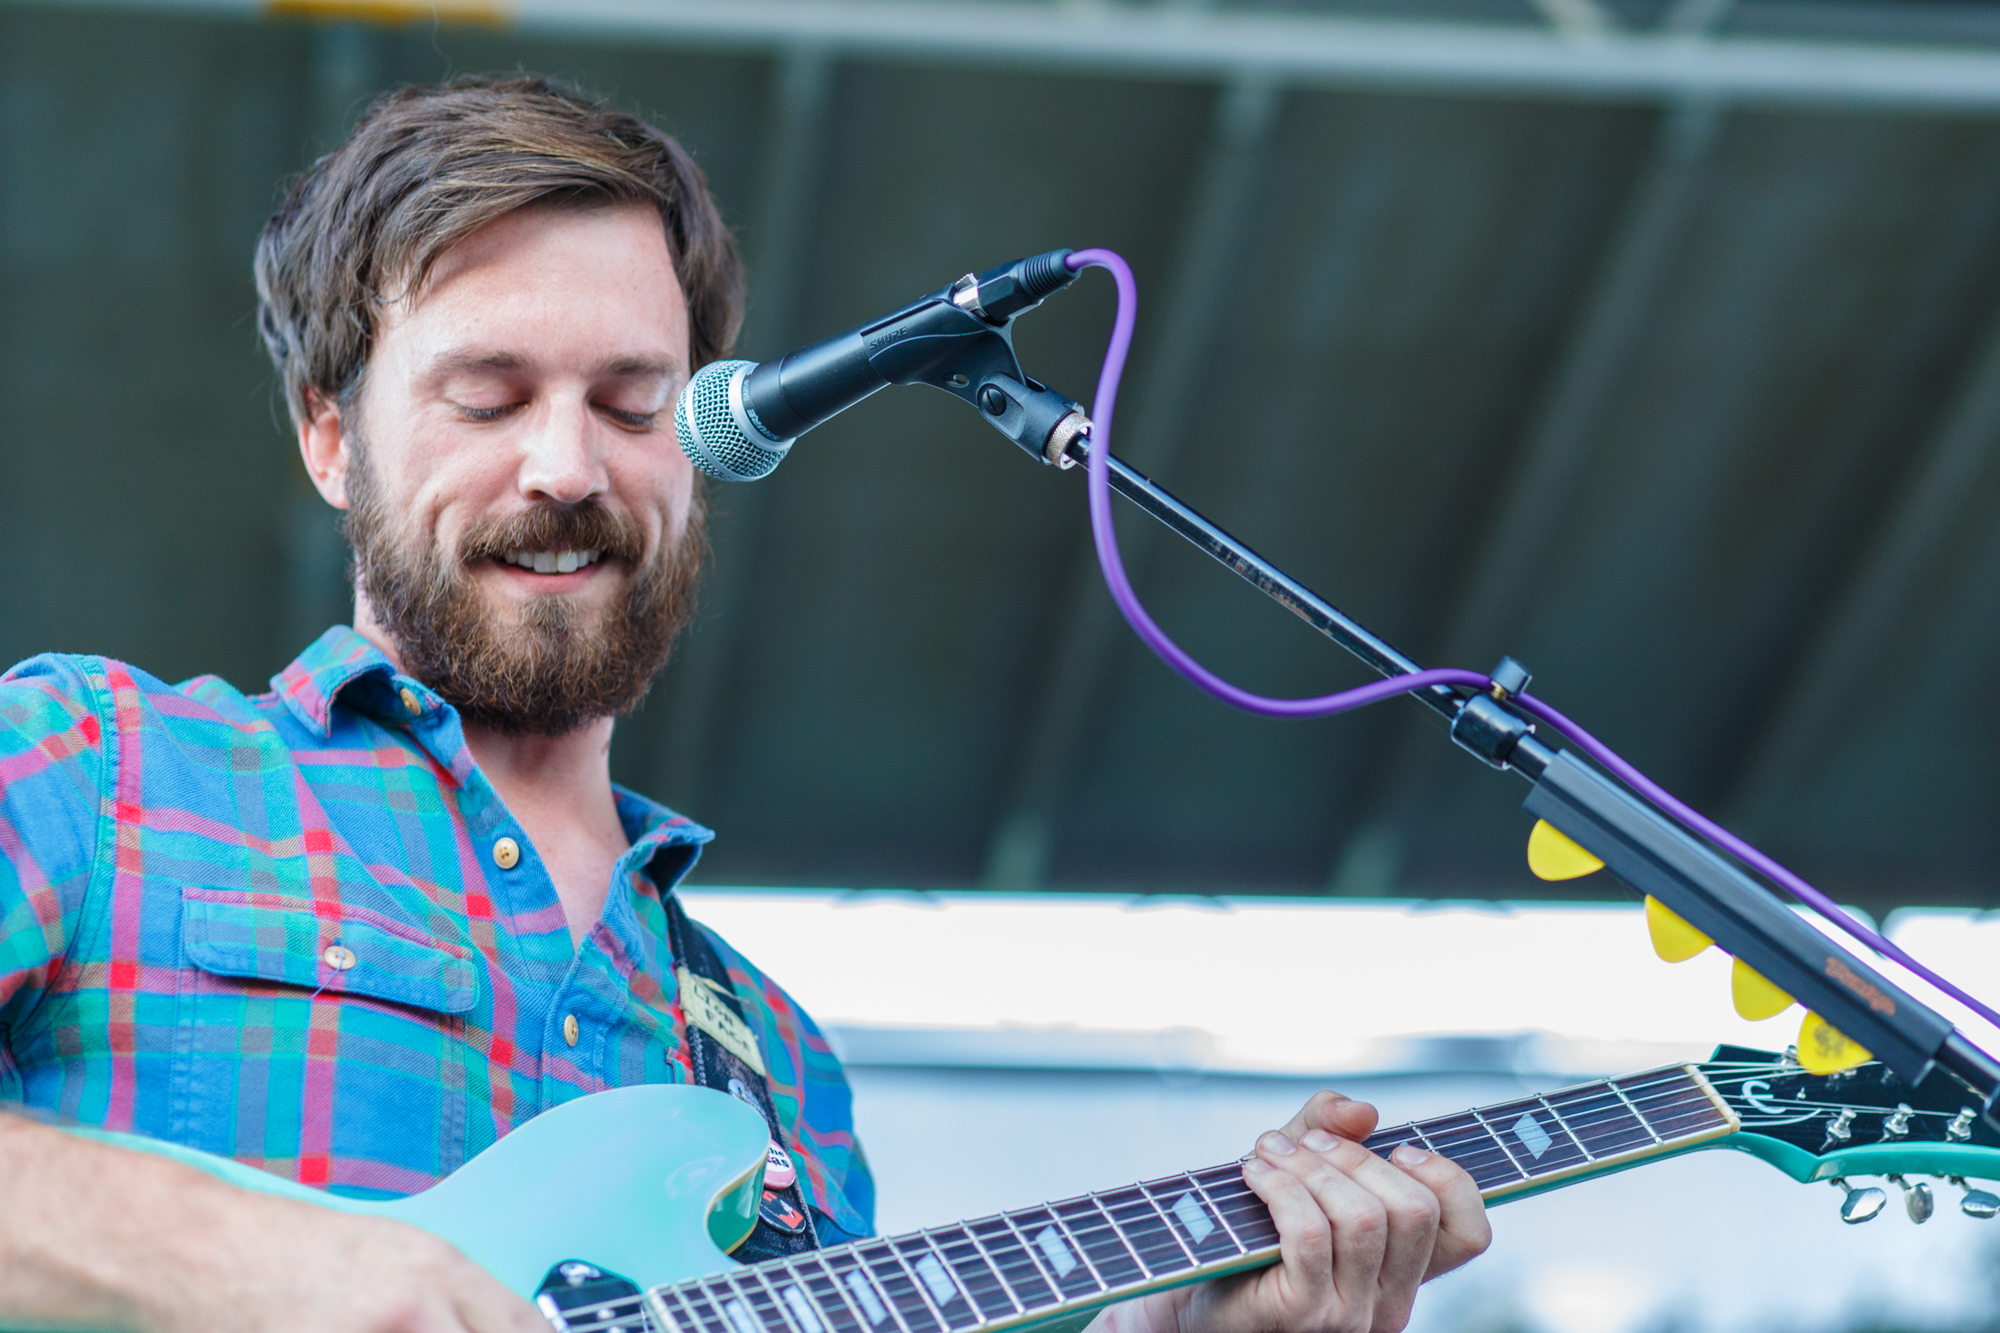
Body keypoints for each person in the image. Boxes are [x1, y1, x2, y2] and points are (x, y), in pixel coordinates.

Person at [0, 77, 1488, 1333]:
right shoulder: (96, 768)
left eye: (635, 402)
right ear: (333, 438)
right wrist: (261, 1258)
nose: (570, 467)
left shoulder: (774, 1060)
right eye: (490, 394)